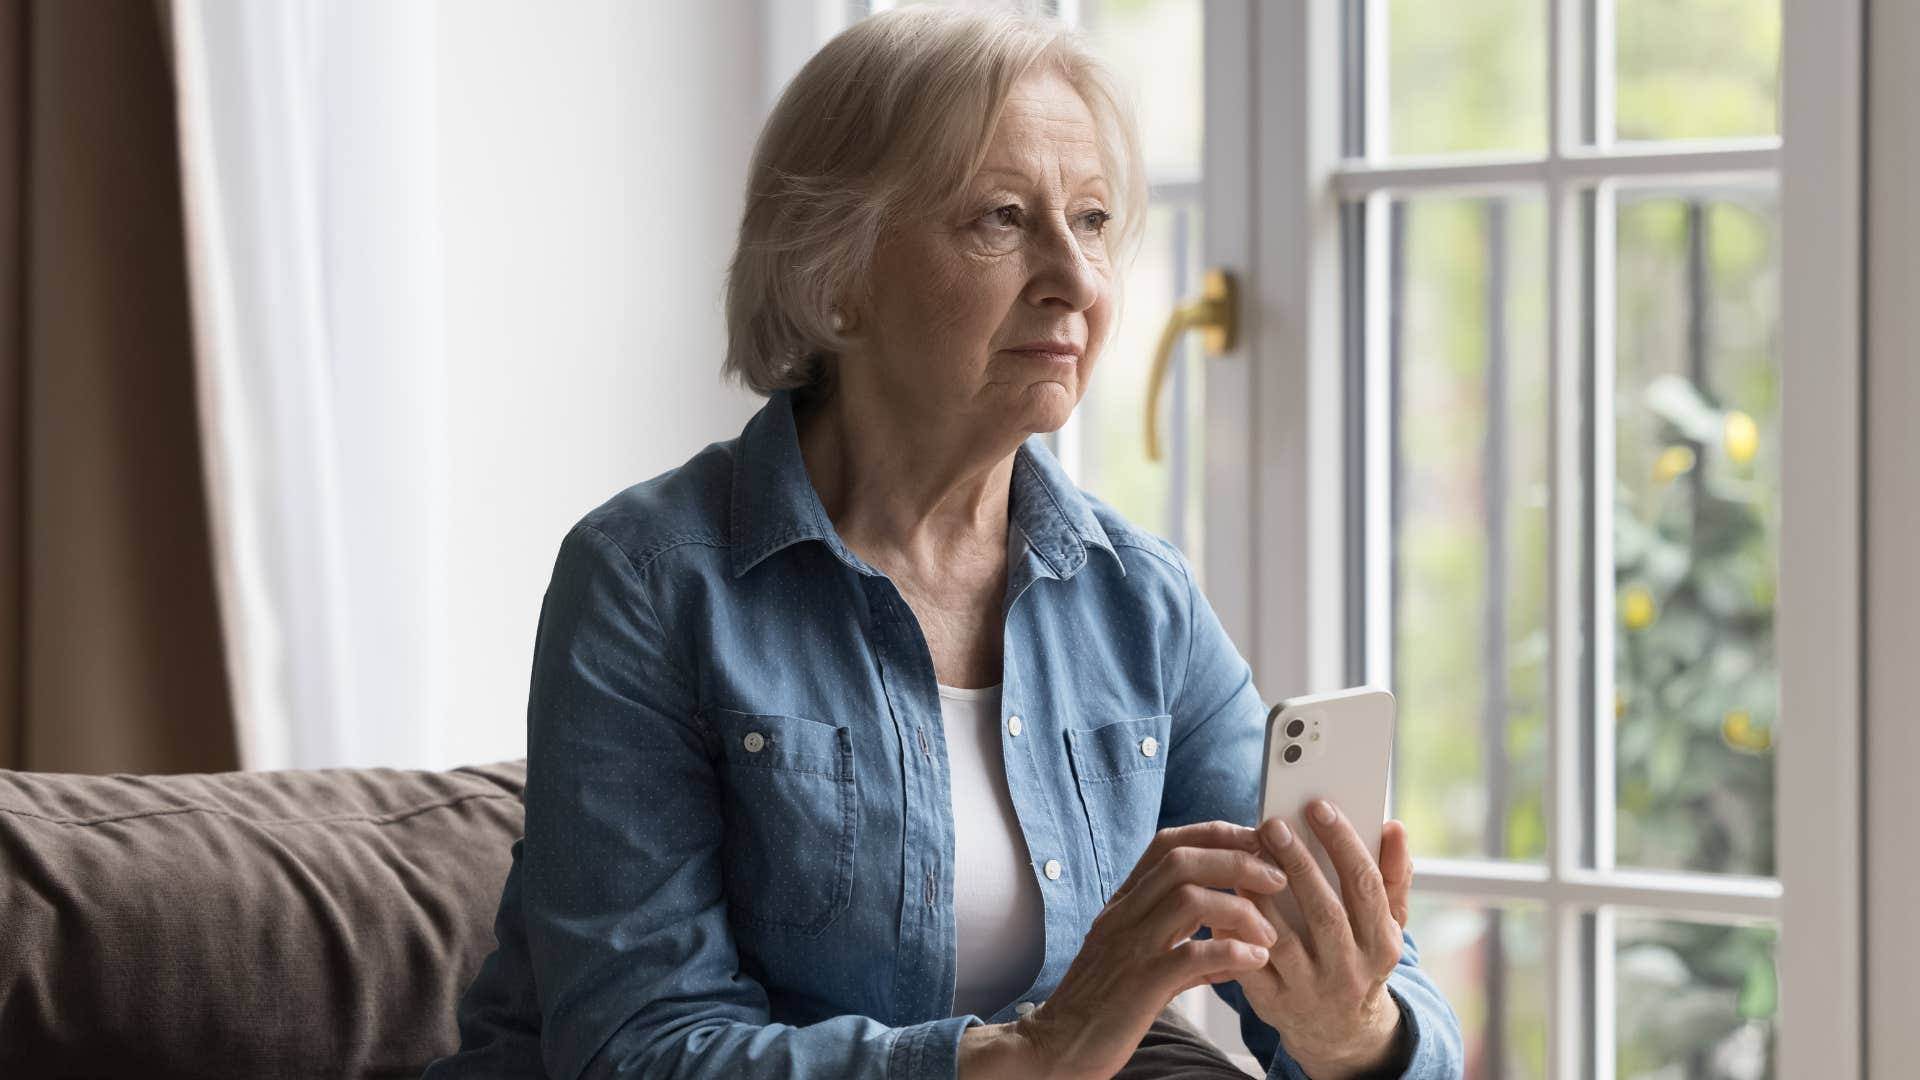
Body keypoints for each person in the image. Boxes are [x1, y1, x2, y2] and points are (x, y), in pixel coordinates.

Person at [424, 7, 1463, 1079]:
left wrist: (1351, 1029)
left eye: (1096, 220)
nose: (1076, 276)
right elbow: (637, 1051)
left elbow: (1404, 1025)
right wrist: (1026, 1053)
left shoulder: (1135, 601)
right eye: (1003, 218)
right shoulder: (646, 580)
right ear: (836, 272)